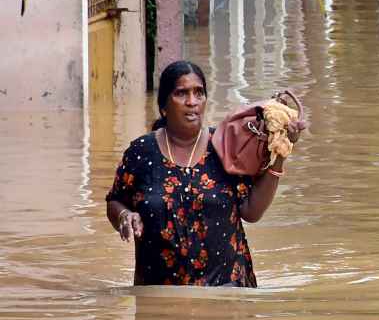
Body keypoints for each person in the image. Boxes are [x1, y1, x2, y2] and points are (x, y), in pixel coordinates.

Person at [106, 60, 304, 287]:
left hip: (226, 294)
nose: (192, 102)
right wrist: (124, 216)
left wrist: (280, 153)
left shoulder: (226, 147)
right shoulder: (141, 153)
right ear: (163, 106)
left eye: (198, 93)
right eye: (181, 93)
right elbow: (115, 201)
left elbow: (251, 211)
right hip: (158, 297)